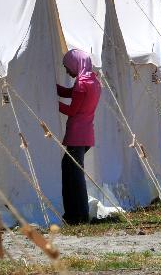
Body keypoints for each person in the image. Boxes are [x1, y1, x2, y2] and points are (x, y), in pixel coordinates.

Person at [57, 49, 101, 224]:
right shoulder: (93, 81)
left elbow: (72, 110)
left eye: (68, 67)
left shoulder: (82, 84)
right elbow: (71, 93)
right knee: (71, 172)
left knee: (74, 176)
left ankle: (79, 215)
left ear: (76, 64)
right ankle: (75, 213)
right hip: (85, 134)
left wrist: (52, 103)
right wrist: (53, 89)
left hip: (77, 135)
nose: (67, 71)